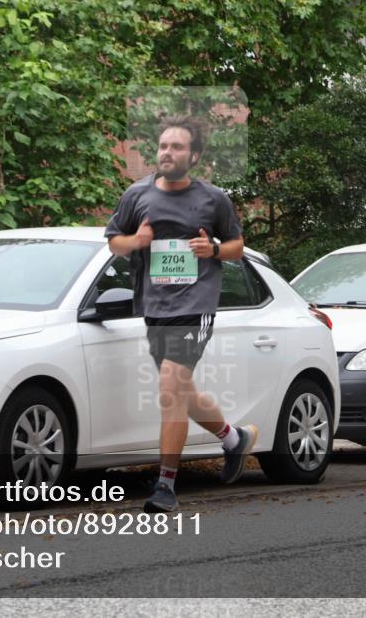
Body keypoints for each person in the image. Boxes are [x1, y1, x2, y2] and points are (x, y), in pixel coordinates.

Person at [104, 115, 258, 513]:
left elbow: (238, 246)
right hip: (155, 307)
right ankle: (233, 439)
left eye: (176, 147)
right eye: (163, 146)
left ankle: (165, 486)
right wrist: (134, 240)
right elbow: (113, 243)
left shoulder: (213, 199)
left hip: (196, 306)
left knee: (170, 391)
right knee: (183, 394)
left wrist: (215, 251)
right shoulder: (136, 195)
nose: (167, 153)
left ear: (194, 155)